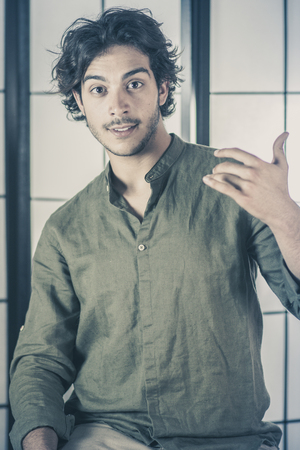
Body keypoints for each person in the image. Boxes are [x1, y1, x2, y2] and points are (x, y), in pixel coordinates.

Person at [9, 7, 300, 450]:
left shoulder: (234, 185)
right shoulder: (65, 228)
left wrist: (286, 216)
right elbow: (40, 360)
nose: (118, 105)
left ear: (162, 88)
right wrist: (39, 439)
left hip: (226, 439)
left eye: (135, 83)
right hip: (104, 435)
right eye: (98, 89)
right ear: (80, 100)